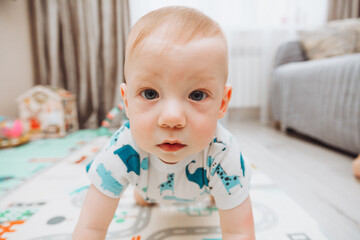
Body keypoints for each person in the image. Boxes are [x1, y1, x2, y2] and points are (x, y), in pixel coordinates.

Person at [73, 6, 255, 240]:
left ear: (222, 103)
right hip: (148, 188)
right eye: (150, 94)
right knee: (144, 194)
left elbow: (239, 232)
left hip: (202, 189)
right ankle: (143, 192)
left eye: (197, 95)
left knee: (221, 193)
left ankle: (213, 192)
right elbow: (91, 227)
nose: (172, 118)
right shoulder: (120, 151)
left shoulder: (223, 154)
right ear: (126, 102)